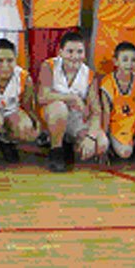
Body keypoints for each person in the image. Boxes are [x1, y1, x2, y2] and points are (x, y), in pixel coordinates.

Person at [38, 32, 108, 172]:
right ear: (60, 52)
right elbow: (42, 97)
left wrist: (90, 137)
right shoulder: (49, 66)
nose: (75, 56)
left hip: (75, 118)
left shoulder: (89, 74)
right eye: (70, 51)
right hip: (53, 115)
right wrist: (72, 98)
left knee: (102, 143)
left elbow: (96, 111)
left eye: (79, 52)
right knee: (60, 108)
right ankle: (56, 149)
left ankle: (70, 142)